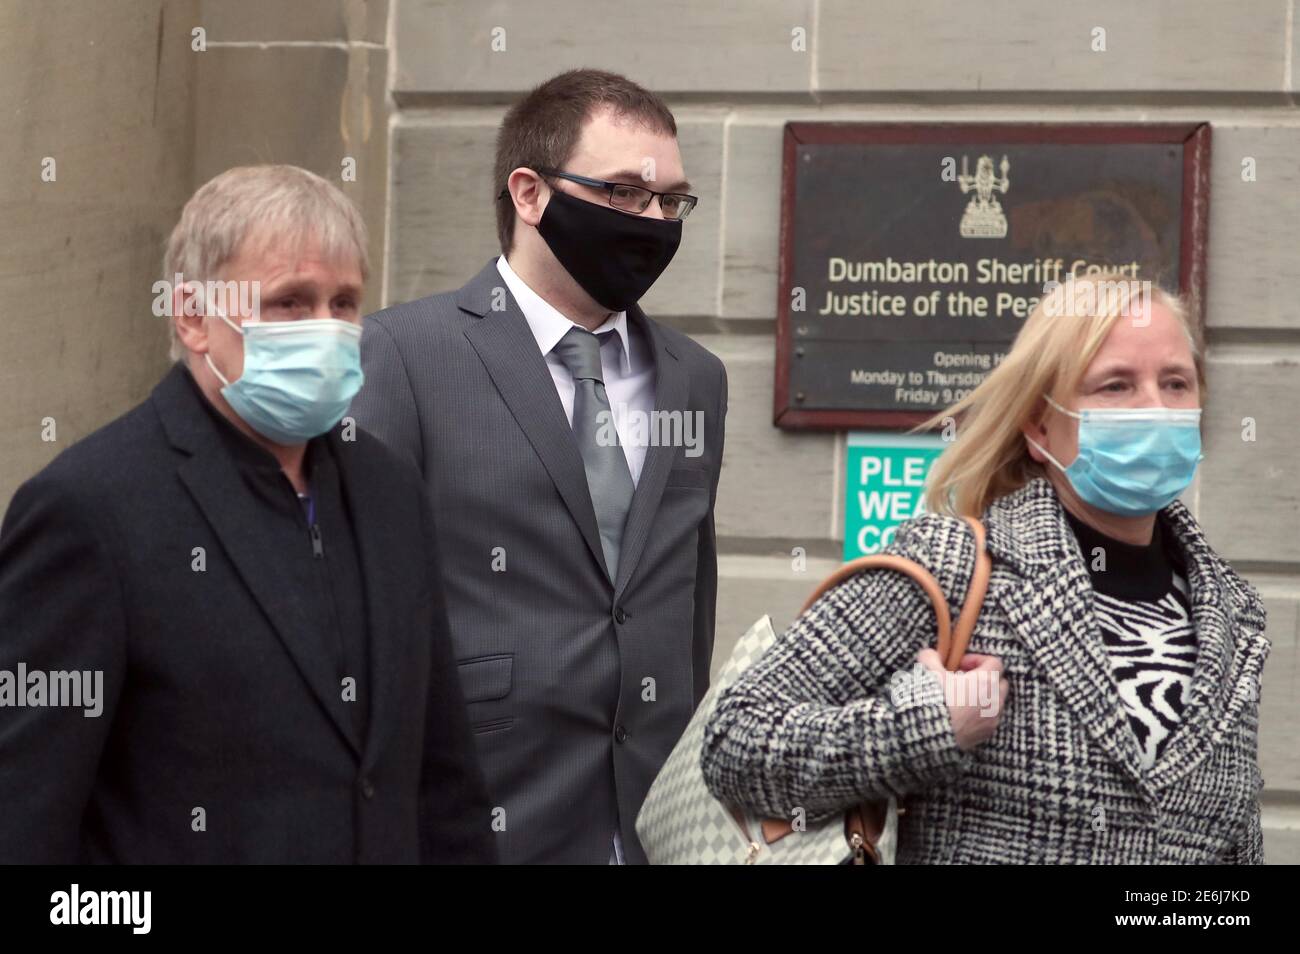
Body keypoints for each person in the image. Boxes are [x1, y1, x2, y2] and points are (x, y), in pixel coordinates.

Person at [0, 165, 496, 864]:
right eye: (290, 303)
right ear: (194, 317)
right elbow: (24, 824)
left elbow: (445, 785)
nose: (325, 329)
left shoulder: (389, 490)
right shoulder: (91, 509)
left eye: (344, 302)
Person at [701, 274, 1269, 864]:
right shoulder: (951, 567)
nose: (1155, 407)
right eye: (1116, 386)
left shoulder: (1234, 615)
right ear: (1038, 425)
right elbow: (737, 741)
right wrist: (925, 730)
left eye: (1176, 382)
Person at [349, 69, 727, 864]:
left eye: (670, 200)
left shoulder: (697, 377)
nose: (654, 220)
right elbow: (362, 615)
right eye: (624, 193)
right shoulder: (404, 355)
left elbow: (684, 599)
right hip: (480, 820)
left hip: (655, 825)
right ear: (529, 194)